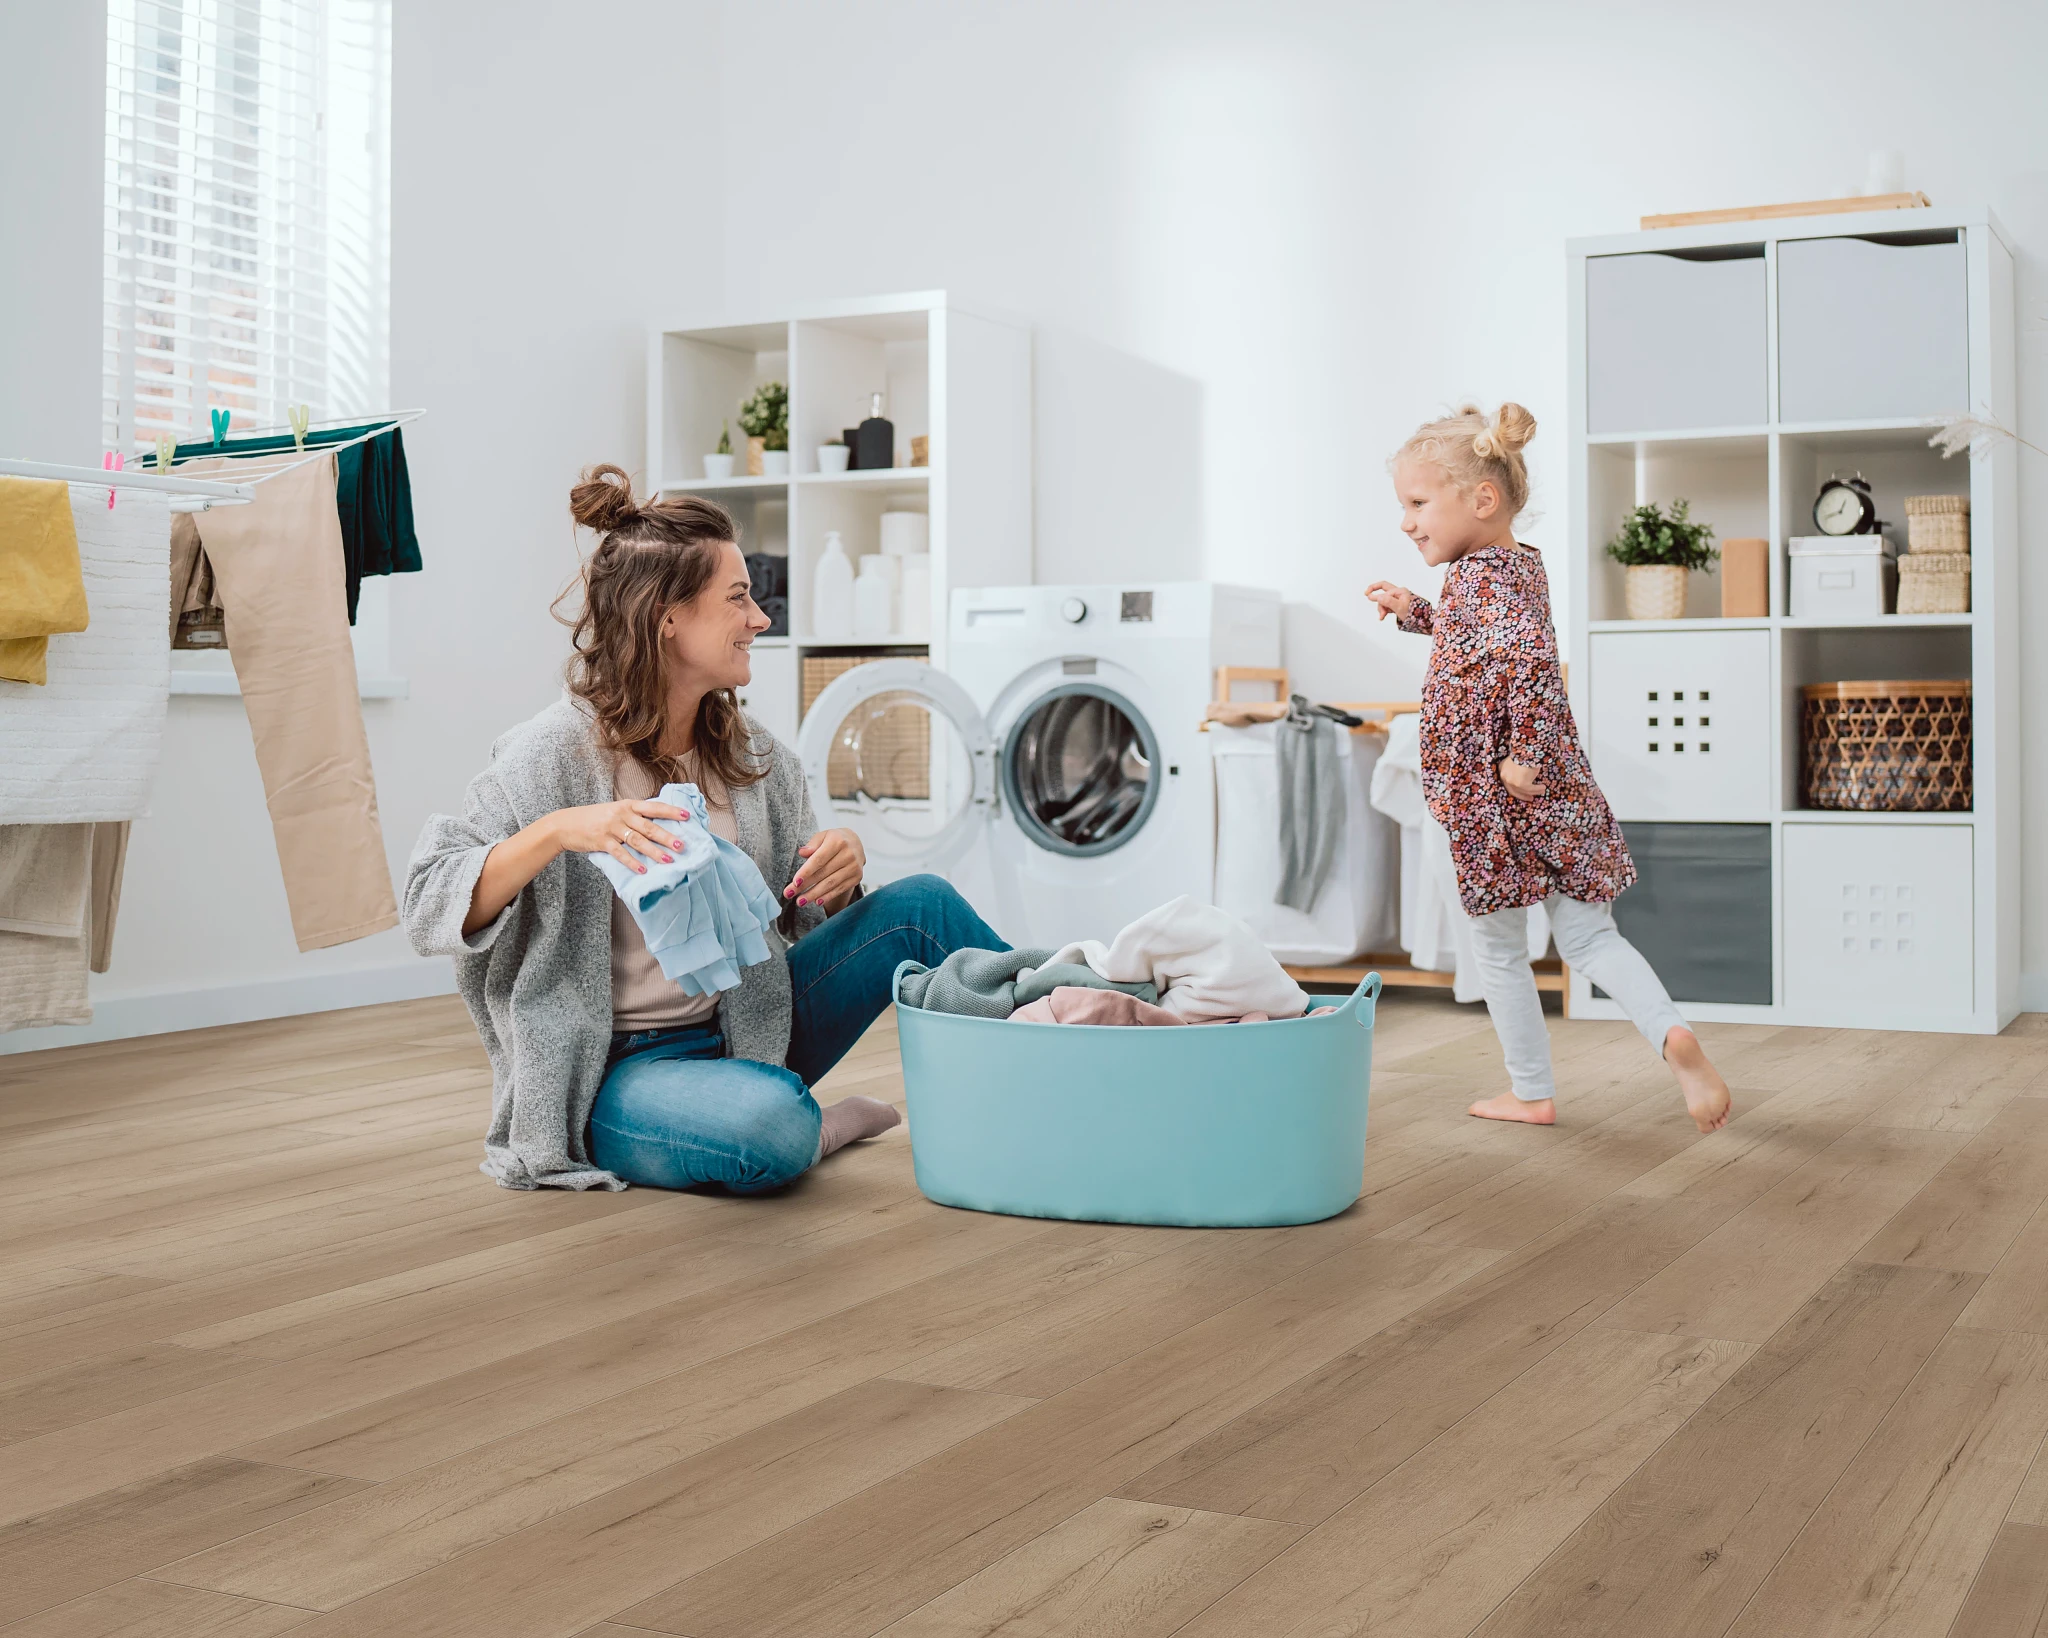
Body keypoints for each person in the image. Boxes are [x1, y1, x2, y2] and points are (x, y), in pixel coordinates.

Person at [404, 464, 1004, 1192]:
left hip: (752, 1020)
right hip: (619, 1068)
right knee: (769, 1127)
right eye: (740, 599)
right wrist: (563, 830)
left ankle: (1087, 1023)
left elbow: (799, 921)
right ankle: (817, 1125)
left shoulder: (755, 757)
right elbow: (428, 901)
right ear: (668, 617)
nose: (761, 619)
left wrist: (840, 878)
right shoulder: (548, 757)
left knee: (923, 904)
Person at [1366, 404, 1731, 1134]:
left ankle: (1531, 1091)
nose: (1406, 522)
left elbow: (1528, 659)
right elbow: (1485, 638)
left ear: (1482, 500)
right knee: (1593, 938)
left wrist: (1520, 755)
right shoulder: (1508, 568)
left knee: (1497, 948)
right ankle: (1670, 1035)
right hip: (1544, 788)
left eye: (1416, 503)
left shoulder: (1484, 578)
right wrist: (1417, 613)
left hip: (1493, 792)